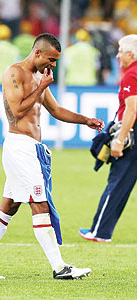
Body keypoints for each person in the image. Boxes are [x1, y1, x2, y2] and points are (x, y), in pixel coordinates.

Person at [0, 33, 105, 280]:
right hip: (19, 147)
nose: (53, 65)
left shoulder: (39, 76)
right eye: (51, 59)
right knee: (39, 203)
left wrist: (86, 120)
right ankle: (60, 267)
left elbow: (55, 110)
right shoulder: (14, 73)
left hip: (30, 148)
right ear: (38, 52)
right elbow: (18, 110)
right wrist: (41, 87)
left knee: (9, 205)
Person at [79, 34, 137, 242]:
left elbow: (131, 110)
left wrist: (120, 139)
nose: (118, 56)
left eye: (121, 51)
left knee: (117, 183)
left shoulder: (132, 74)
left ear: (131, 54)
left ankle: (99, 231)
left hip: (132, 133)